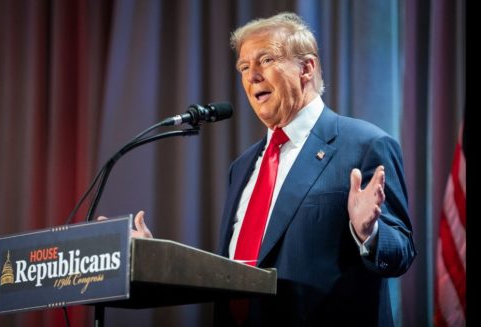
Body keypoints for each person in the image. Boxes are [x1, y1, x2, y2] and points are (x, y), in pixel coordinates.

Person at [131, 12, 416, 327]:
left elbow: (401, 252)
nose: (251, 75)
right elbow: (232, 270)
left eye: (265, 60)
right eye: (243, 67)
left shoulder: (365, 144)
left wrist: (369, 233)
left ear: (306, 68)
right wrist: (155, 257)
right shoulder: (241, 167)